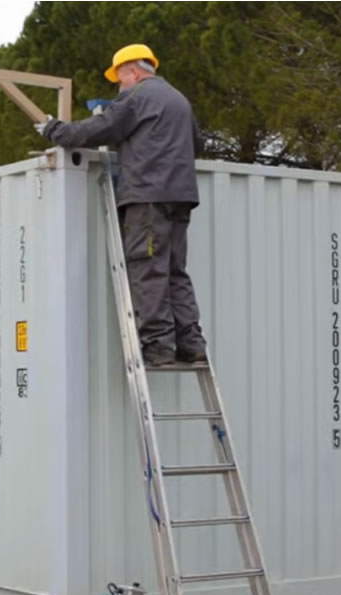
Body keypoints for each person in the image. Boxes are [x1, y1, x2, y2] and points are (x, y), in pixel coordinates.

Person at [35, 43, 207, 366]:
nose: (119, 86)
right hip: (181, 198)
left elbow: (100, 128)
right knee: (174, 271)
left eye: (119, 78)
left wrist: (54, 130)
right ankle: (192, 344)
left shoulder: (136, 96)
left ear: (133, 71)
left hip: (148, 198)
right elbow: (196, 143)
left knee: (148, 268)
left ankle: (157, 347)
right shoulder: (179, 100)